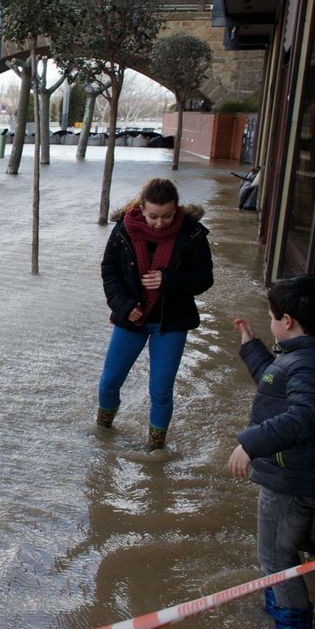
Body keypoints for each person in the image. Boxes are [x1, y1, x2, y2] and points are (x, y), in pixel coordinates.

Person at [228, 274, 315, 629]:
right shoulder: (313, 355)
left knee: (276, 559)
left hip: (290, 482)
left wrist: (250, 443)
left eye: (270, 316)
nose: (270, 322)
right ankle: (277, 612)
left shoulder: (307, 365)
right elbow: (275, 382)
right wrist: (252, 346)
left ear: (286, 321)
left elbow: (305, 415)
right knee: (280, 552)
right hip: (300, 475)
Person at [96, 178, 213, 450]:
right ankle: (103, 437)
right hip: (130, 320)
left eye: (168, 216)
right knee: (109, 381)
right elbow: (109, 271)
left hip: (170, 323)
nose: (160, 224)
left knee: (160, 390)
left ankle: (155, 450)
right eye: (153, 217)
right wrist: (124, 306)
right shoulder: (124, 228)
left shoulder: (192, 233)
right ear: (142, 208)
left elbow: (204, 278)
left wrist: (168, 280)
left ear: (177, 209)